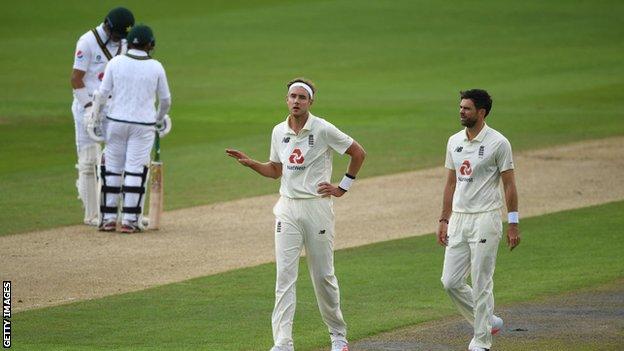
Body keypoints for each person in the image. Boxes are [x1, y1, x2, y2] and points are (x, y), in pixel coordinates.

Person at [226, 78, 366, 351]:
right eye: (292, 96)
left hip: (317, 208)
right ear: (286, 99)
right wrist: (252, 164)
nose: (296, 101)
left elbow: (358, 153)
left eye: (302, 97)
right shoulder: (279, 131)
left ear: (310, 102)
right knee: (284, 277)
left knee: (323, 275)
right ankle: (283, 342)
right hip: (287, 208)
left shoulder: (323, 128)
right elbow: (276, 170)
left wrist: (343, 187)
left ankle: (338, 336)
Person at [437, 89, 520, 351]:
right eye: (460, 107)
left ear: (481, 112)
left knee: (482, 280)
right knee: (450, 281)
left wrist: (513, 222)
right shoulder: (454, 141)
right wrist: (443, 219)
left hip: (486, 218)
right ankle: (488, 320)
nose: (461, 111)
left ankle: (481, 340)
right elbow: (450, 183)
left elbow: (509, 185)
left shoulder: (498, 143)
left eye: (467, 108)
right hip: (460, 219)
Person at [94, 24, 171, 233]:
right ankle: (130, 220)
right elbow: (165, 100)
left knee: (112, 169)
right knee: (135, 170)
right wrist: (159, 118)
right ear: (150, 44)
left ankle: (108, 219)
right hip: (143, 125)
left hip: (115, 122)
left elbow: (102, 94)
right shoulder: (156, 66)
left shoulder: (115, 62)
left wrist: (97, 119)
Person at [70, 7, 135, 226]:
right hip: (86, 107)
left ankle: (116, 211)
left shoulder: (124, 44)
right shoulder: (87, 41)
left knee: (117, 160)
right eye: (117, 34)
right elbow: (76, 79)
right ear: (107, 26)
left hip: (114, 109)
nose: (119, 39)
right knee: (88, 163)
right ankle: (91, 214)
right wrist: (89, 108)